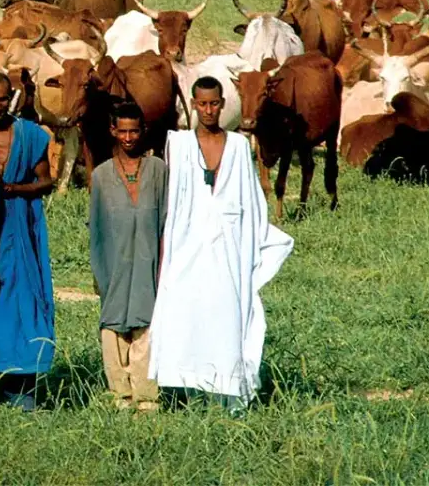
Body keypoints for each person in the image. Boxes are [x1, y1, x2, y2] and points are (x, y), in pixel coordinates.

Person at [148, 77, 294, 414]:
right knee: (185, 312)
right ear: (194, 104)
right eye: (202, 104)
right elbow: (170, 198)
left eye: (215, 104)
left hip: (229, 249)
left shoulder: (240, 147)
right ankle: (184, 389)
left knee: (227, 315)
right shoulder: (180, 145)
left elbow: (251, 200)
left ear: (223, 103)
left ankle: (229, 391)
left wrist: (254, 242)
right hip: (186, 245)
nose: (209, 110)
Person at [0, 73, 55, 410]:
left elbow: (45, 181)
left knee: (22, 298)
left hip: (19, 220)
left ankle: (23, 381)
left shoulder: (31, 135)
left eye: (1, 99)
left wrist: (10, 187)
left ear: (12, 97)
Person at [87, 102, 165, 411]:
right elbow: (97, 227)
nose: (129, 138)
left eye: (134, 131)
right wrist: (99, 270)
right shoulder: (102, 175)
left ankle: (146, 398)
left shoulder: (159, 170)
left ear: (143, 131)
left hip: (149, 259)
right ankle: (120, 395)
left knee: (147, 322)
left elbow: (167, 218)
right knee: (114, 321)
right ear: (113, 131)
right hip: (114, 260)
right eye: (123, 131)